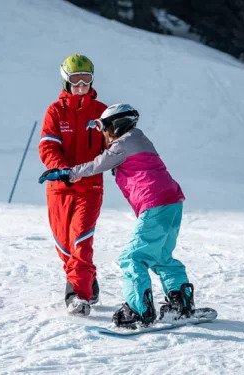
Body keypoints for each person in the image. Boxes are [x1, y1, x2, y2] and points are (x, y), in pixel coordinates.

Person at [39, 103, 196, 329]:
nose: (103, 134)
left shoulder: (123, 144)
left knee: (131, 258)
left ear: (115, 125)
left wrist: (68, 172)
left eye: (104, 128)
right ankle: (180, 302)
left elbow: (96, 165)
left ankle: (138, 310)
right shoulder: (139, 138)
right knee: (161, 256)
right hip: (172, 203)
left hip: (155, 205)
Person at [39, 54, 107, 316]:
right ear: (66, 82)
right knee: (64, 245)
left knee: (81, 238)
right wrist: (61, 169)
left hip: (90, 187)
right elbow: (48, 145)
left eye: (86, 81)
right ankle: (87, 279)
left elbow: (113, 146)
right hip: (60, 187)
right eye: (75, 81)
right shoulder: (55, 111)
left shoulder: (101, 111)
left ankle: (77, 295)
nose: (81, 86)